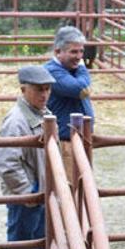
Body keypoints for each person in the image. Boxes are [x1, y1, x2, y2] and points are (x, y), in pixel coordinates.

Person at [0, 66, 55, 249]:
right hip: (27, 193)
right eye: (39, 90)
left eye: (47, 89)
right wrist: (27, 192)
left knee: (36, 238)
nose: (44, 94)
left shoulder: (40, 114)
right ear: (24, 90)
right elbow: (6, 164)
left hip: (37, 189)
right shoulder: (17, 121)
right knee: (21, 241)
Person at [44, 26, 94, 185]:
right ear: (58, 52)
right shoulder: (52, 71)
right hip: (65, 141)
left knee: (82, 185)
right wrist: (82, 69)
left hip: (80, 138)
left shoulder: (72, 70)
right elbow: (79, 89)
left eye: (81, 51)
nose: (79, 57)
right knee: (69, 185)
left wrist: (80, 71)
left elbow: (81, 86)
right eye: (74, 52)